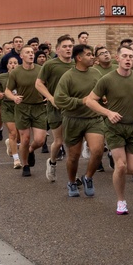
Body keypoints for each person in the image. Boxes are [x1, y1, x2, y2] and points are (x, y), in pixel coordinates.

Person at [85, 44, 133, 214]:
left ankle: (118, 167)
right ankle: (121, 201)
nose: (129, 59)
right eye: (125, 56)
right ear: (117, 58)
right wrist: (108, 113)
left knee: (132, 169)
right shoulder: (107, 79)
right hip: (114, 127)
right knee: (120, 166)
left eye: (132, 56)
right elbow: (90, 100)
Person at [54, 44, 104, 197]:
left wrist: (104, 98)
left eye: (92, 54)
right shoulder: (68, 76)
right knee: (74, 156)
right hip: (73, 119)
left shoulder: (96, 73)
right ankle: (71, 182)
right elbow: (59, 99)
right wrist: (81, 101)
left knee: (97, 151)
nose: (92, 57)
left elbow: (103, 91)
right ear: (79, 58)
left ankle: (88, 177)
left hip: (93, 118)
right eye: (88, 55)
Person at [36, 35, 75, 182]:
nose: (68, 49)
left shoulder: (77, 65)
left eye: (70, 46)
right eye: (65, 46)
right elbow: (39, 84)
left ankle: (73, 175)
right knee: (59, 142)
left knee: (72, 142)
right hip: (55, 108)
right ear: (57, 49)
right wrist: (51, 98)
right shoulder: (50, 65)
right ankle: (51, 162)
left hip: (72, 108)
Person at [6, 45, 47, 177]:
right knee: (25, 139)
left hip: (39, 107)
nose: (31, 54)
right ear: (21, 56)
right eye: (27, 53)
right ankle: (25, 165)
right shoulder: (15, 72)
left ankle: (30, 150)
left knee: (40, 140)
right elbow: (7, 90)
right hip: (23, 108)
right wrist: (14, 97)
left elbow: (48, 85)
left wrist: (48, 95)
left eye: (32, 52)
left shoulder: (41, 70)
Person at [0, 55, 19, 161]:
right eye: (11, 63)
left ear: (19, 65)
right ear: (7, 65)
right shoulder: (2, 77)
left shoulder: (22, 76)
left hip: (20, 106)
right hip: (7, 106)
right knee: (13, 132)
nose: (13, 65)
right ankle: (16, 159)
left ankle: (11, 145)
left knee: (20, 135)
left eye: (15, 63)